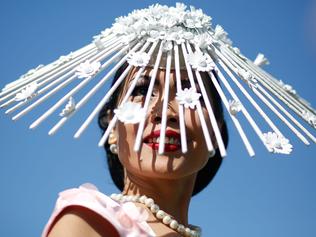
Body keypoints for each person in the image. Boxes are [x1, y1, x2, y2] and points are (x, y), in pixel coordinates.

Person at [42, 61, 229, 237]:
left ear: (215, 133)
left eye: (190, 93)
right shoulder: (89, 221)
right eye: (142, 90)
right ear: (113, 127)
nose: (166, 113)